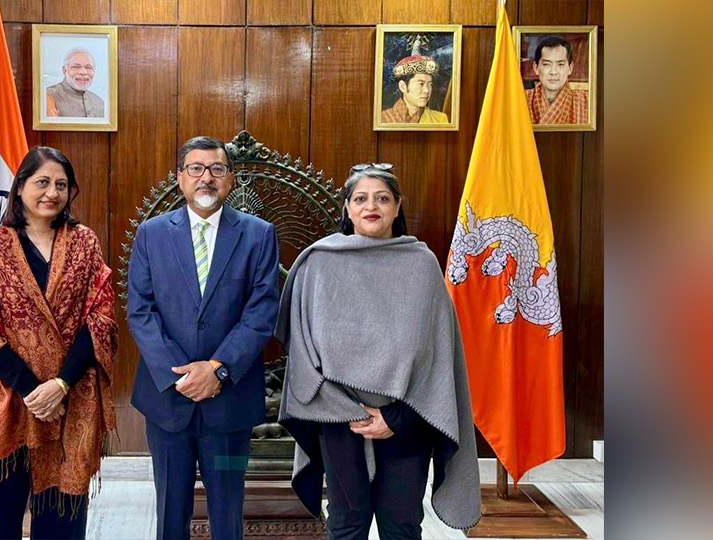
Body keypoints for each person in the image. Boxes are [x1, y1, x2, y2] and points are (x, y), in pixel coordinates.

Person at [276, 165, 481, 539]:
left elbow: (437, 355)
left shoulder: (422, 264)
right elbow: (303, 353)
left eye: (383, 198)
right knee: (345, 525)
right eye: (361, 198)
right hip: (339, 424)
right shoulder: (317, 263)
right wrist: (350, 412)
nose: (372, 206)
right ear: (348, 208)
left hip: (406, 423)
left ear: (398, 206)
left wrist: (394, 418)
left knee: (401, 527)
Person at [0, 147, 119, 540]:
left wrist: (60, 385)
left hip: (72, 400)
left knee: (62, 518)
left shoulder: (84, 243)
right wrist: (35, 392)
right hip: (10, 401)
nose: (52, 192)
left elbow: (100, 320)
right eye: (42, 182)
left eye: (61, 185)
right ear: (20, 187)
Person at [127, 136, 281, 540]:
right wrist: (180, 375)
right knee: (170, 511)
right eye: (196, 169)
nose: (206, 178)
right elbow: (141, 311)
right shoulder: (152, 233)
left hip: (229, 400)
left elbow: (262, 311)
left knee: (227, 512)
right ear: (181, 179)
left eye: (216, 169)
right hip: (167, 400)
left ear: (230, 179)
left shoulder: (258, 234)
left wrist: (217, 369)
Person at [525, 36, 590, 125]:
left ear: (570, 68)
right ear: (535, 68)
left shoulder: (587, 101)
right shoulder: (522, 99)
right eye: (547, 64)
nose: (553, 72)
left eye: (560, 65)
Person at [380, 54, 449, 124]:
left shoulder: (439, 119)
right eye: (421, 84)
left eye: (430, 84)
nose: (427, 90)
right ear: (403, 86)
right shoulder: (383, 119)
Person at [46, 48, 106, 118]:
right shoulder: (49, 96)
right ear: (64, 70)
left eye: (88, 67)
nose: (83, 72)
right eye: (76, 67)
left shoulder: (99, 102)